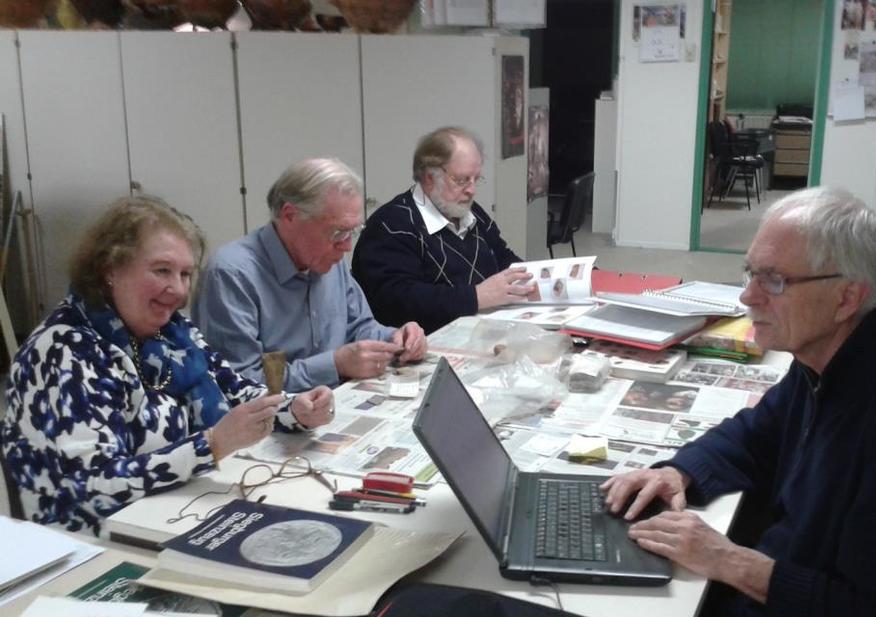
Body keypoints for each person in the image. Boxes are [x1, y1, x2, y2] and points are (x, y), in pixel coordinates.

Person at [602, 187, 876, 616]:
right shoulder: (827, 359)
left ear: (847, 297)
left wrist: (730, 561)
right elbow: (757, 434)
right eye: (750, 273)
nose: (748, 296)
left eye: (775, 280)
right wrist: (680, 471)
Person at [0, 196, 336, 535]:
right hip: (91, 538)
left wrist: (295, 408)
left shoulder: (173, 333)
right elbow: (91, 486)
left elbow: (234, 390)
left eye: (186, 274)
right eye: (162, 270)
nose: (177, 289)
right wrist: (212, 445)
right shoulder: (66, 352)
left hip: (170, 508)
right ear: (110, 269)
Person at [194, 158, 427, 391]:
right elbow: (238, 383)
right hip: (275, 418)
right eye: (338, 233)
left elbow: (360, 328)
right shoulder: (232, 274)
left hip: (336, 403)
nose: (347, 246)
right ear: (290, 216)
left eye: (352, 232)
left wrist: (398, 339)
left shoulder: (327, 259)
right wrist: (334, 365)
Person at [351, 126, 535, 334]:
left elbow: (501, 256)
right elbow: (398, 301)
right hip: (430, 345)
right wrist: (475, 297)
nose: (472, 190)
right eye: (462, 179)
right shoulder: (391, 226)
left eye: (476, 179)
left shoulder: (469, 211)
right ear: (429, 177)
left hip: (487, 330)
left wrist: (537, 277)